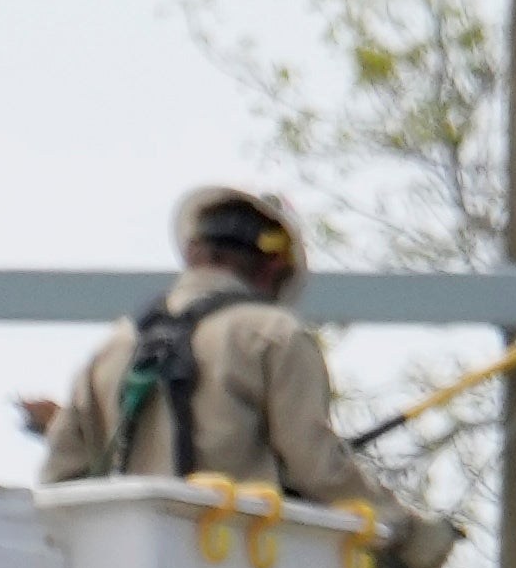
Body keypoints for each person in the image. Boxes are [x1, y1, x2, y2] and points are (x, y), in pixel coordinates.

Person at [36, 185, 363, 505]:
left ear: (193, 252)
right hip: (238, 554)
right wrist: (410, 536)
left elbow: (58, 482)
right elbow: (319, 471)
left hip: (124, 557)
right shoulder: (275, 335)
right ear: (275, 266)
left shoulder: (114, 346)